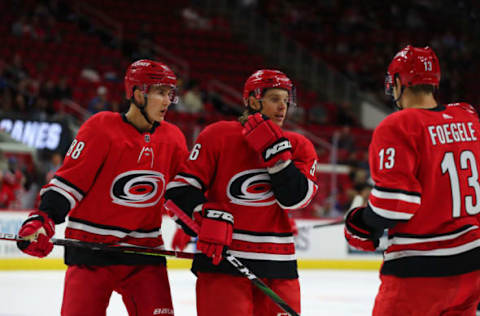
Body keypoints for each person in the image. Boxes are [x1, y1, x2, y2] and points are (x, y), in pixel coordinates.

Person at [16, 59, 188, 316]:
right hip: (91, 250)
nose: (167, 101)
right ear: (138, 93)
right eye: (160, 92)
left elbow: (182, 193)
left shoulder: (173, 138)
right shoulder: (101, 128)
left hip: (143, 252)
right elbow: (69, 183)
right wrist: (45, 218)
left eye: (169, 94)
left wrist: (197, 223)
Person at [165, 69, 319, 316]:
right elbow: (178, 191)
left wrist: (278, 158)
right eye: (274, 99)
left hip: (278, 268)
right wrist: (201, 215)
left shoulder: (298, 145)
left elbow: (296, 199)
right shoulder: (218, 136)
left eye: (285, 100)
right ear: (253, 100)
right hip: (222, 264)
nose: (283, 107)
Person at [344, 45, 480, 316]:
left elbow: (393, 206)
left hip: (420, 272)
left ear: (397, 82)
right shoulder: (469, 117)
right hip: (473, 268)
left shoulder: (398, 125)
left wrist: (362, 222)